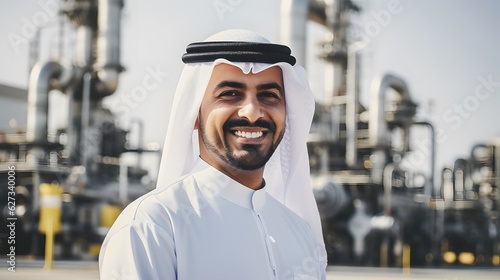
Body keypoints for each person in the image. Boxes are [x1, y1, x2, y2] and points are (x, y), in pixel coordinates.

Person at [99, 29, 327, 280]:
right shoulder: (153, 227)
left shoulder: (300, 235)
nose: (252, 112)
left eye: (268, 95)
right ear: (194, 115)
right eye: (230, 94)